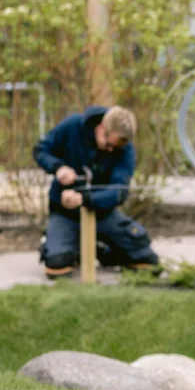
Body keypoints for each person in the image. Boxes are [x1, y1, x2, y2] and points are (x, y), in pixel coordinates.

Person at [33, 105, 159, 279]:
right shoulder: (72, 126)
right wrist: (58, 168)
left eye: (116, 148)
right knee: (57, 266)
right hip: (66, 212)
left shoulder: (125, 150)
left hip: (102, 213)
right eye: (108, 145)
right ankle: (67, 246)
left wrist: (84, 198)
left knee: (147, 261)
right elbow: (41, 150)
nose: (110, 150)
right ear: (101, 128)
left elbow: (119, 191)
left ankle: (102, 251)